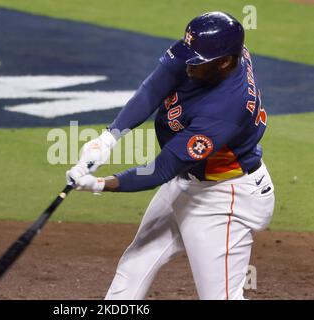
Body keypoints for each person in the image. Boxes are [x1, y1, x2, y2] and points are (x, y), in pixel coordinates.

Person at [66, 11, 275, 300]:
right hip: (187, 182)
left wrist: (101, 184)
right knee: (136, 263)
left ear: (225, 62)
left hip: (224, 198)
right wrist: (109, 137)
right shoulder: (216, 53)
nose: (188, 64)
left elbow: (162, 168)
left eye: (197, 62)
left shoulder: (226, 108)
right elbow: (153, 88)